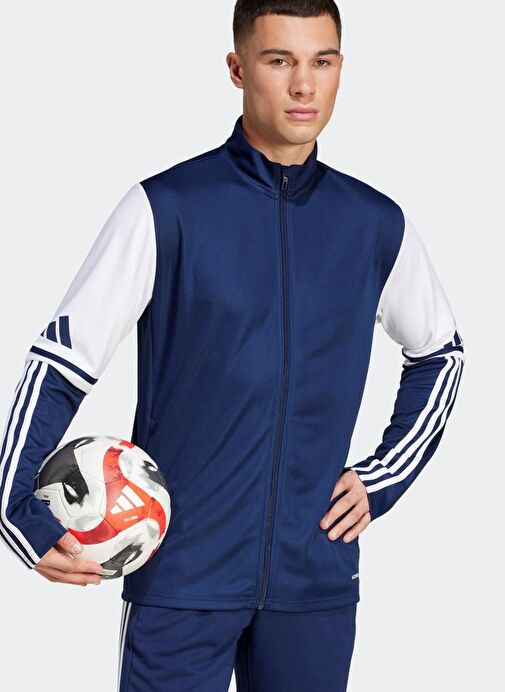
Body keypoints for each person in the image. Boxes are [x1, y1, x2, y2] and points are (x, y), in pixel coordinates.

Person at [0, 2, 465, 690]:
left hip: (314, 579)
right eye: (280, 61)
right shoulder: (166, 207)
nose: (303, 85)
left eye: (322, 62)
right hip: (180, 578)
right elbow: (62, 362)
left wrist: (383, 477)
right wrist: (16, 508)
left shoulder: (373, 224)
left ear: (340, 69)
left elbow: (441, 354)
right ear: (238, 68)